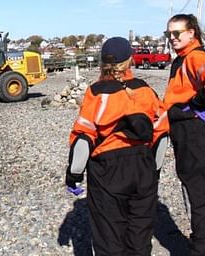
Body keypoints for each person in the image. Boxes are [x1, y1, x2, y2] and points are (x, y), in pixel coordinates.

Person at [64, 37, 168, 255]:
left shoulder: (96, 93)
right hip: (142, 166)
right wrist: (154, 172)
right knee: (140, 238)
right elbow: (161, 137)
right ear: (130, 60)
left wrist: (73, 176)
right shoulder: (146, 91)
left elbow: (84, 138)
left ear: (103, 62)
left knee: (109, 238)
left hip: (108, 170)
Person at [163, 13, 205, 256]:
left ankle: (201, 250)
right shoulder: (181, 59)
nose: (172, 38)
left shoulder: (195, 56)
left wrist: (196, 103)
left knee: (198, 195)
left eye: (176, 33)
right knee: (200, 192)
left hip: (196, 133)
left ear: (191, 33)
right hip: (189, 132)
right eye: (168, 34)